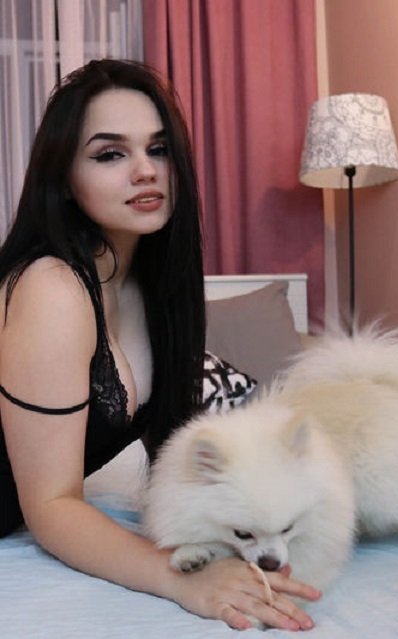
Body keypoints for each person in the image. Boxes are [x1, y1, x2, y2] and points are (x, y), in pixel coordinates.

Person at [0, 59, 320, 630]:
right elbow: (50, 503)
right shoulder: (52, 288)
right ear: (64, 180)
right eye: (110, 154)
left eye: (160, 149)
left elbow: (177, 455)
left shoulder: (155, 287)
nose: (146, 170)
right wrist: (179, 578)